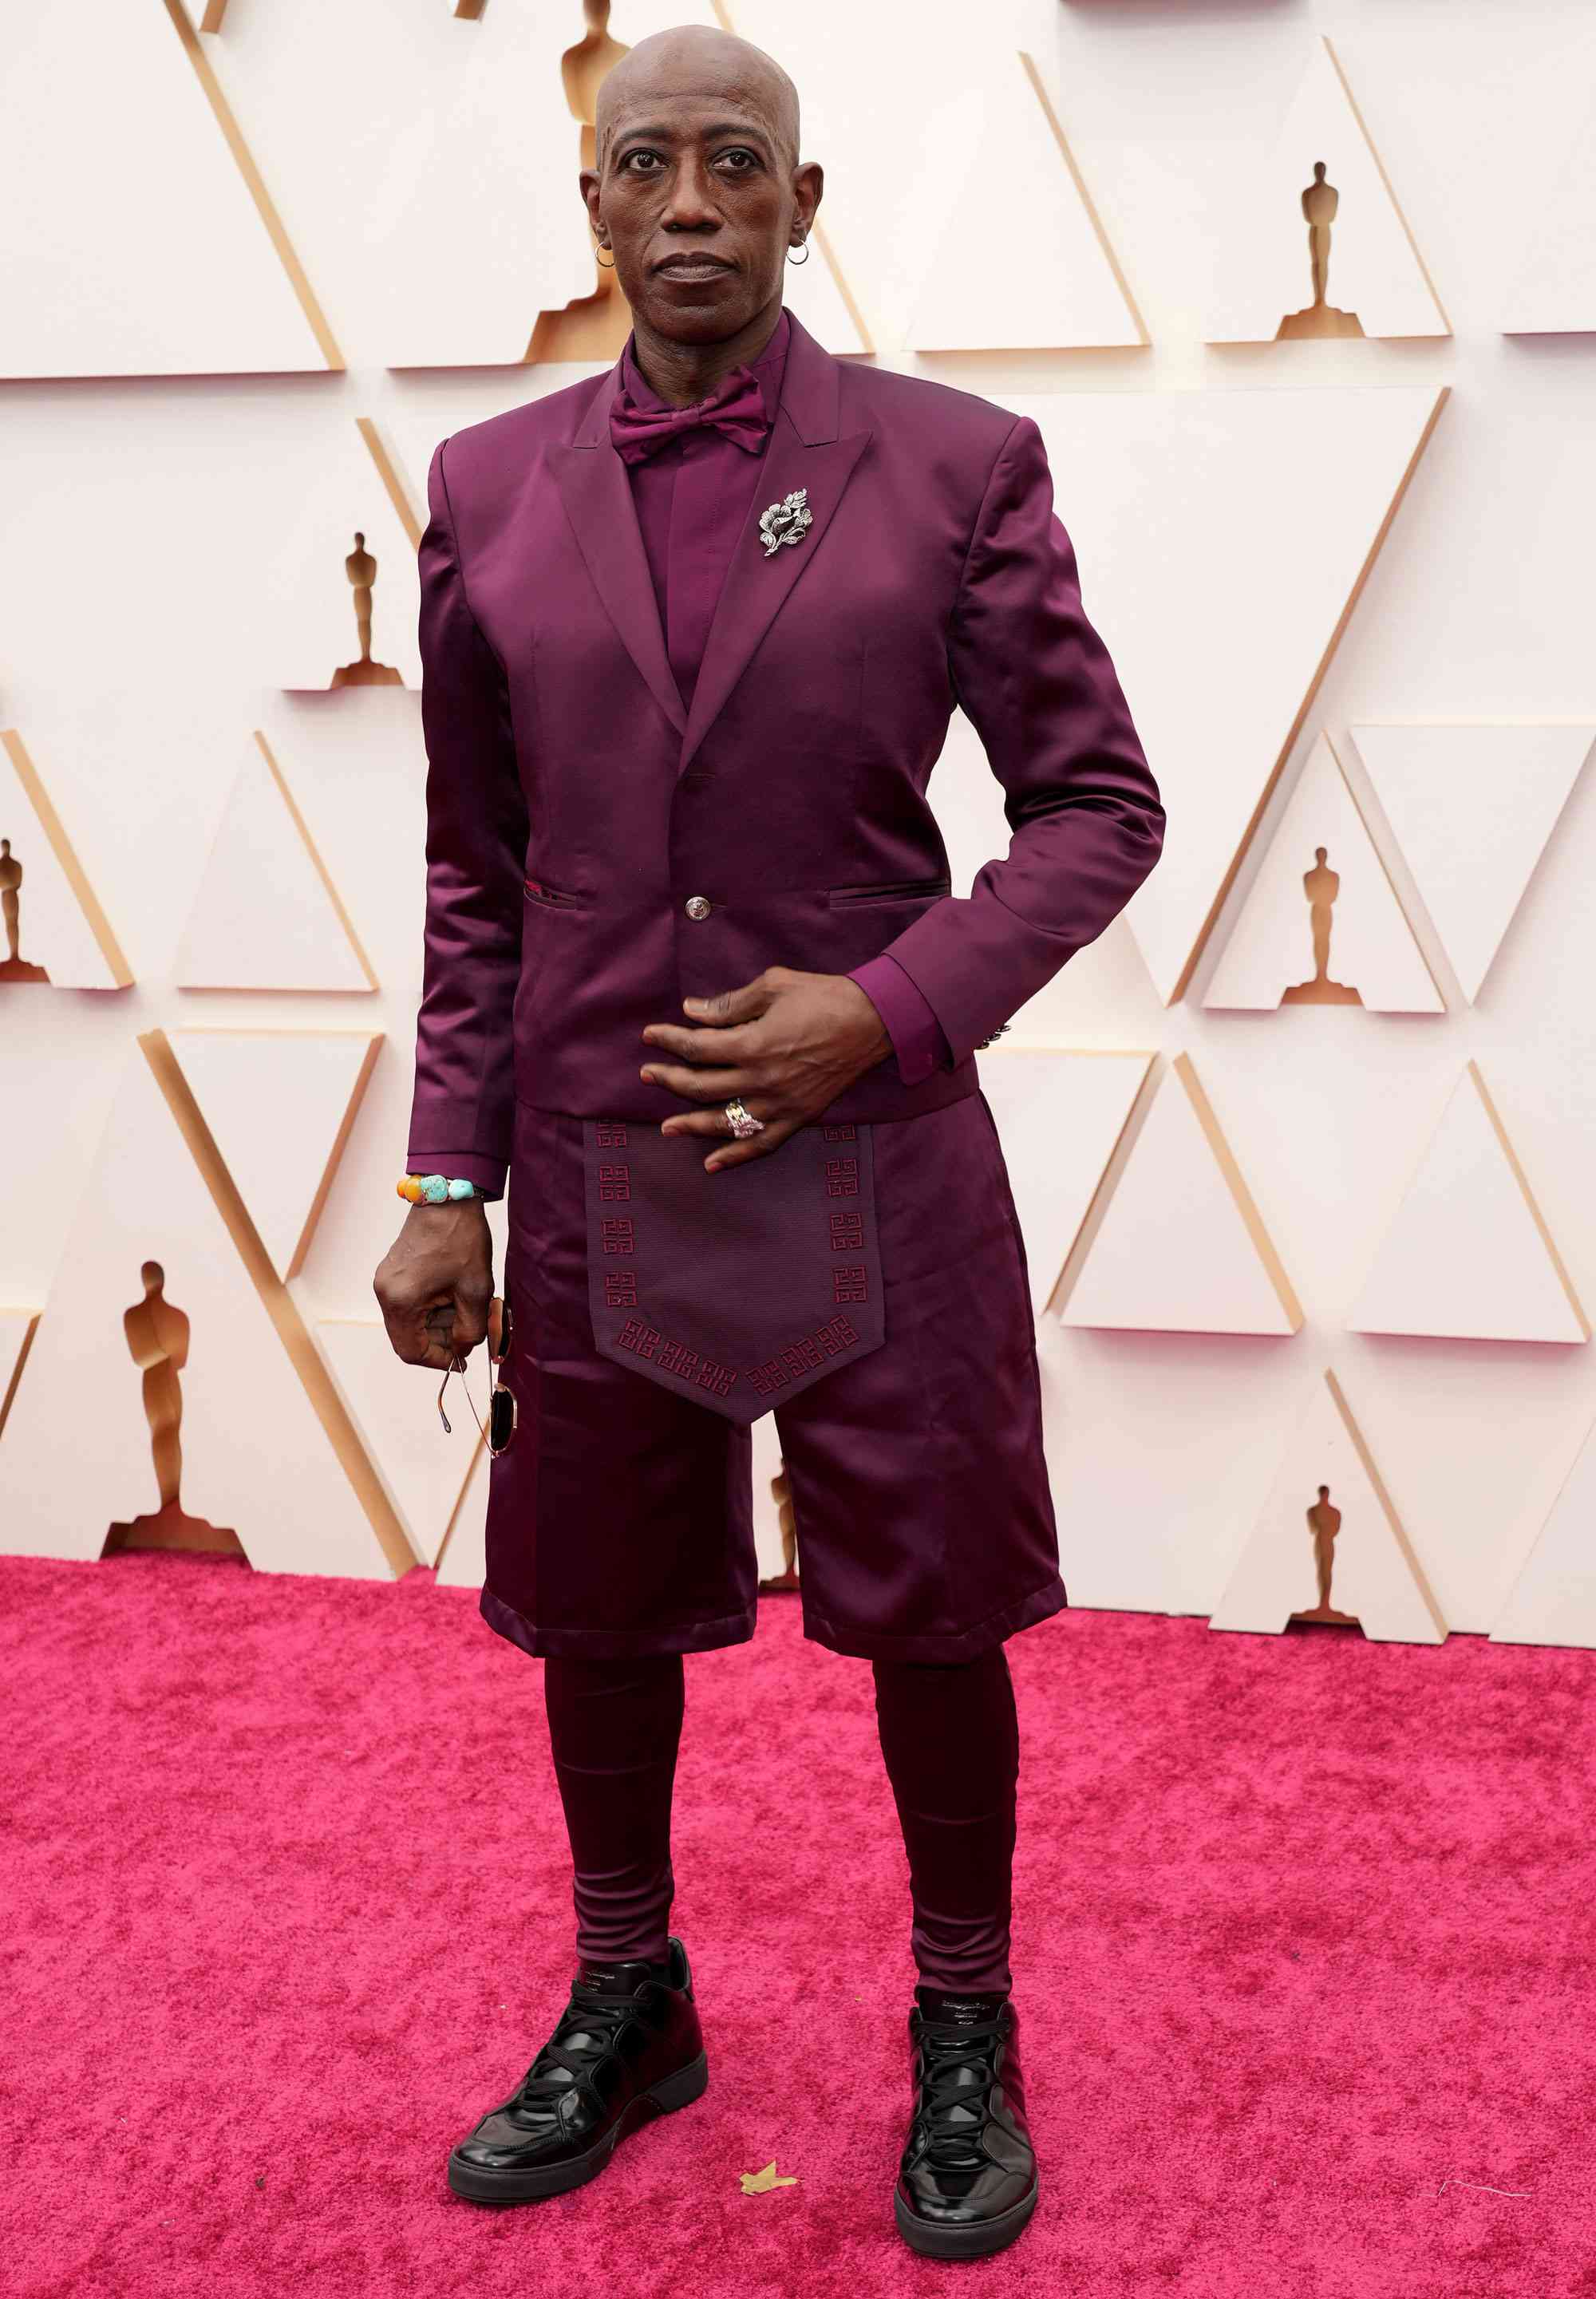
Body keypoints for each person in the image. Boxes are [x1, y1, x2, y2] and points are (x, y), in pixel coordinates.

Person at [374, 22, 1163, 2262]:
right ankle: (632, 1994)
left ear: (806, 208)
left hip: (882, 1157)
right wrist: (450, 1177)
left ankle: (963, 2021)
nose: (696, 198)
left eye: (743, 162)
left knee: (935, 1615)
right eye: (651, 164)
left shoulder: (955, 463)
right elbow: (474, 871)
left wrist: (887, 1010)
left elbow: (1100, 807)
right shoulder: (488, 489)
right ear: (596, 208)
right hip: (600, 1164)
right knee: (595, 1618)